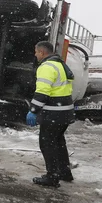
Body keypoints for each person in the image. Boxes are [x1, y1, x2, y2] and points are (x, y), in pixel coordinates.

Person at [26, 41, 75, 187]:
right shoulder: (60, 64)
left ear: (42, 52)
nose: (35, 55)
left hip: (54, 113)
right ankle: (64, 172)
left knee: (47, 143)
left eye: (36, 52)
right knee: (59, 142)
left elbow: (42, 92)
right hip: (65, 112)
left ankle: (52, 177)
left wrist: (33, 110)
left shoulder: (46, 67)